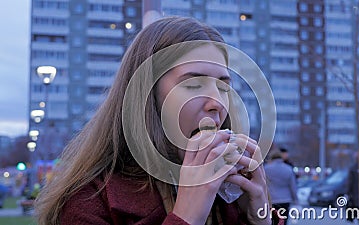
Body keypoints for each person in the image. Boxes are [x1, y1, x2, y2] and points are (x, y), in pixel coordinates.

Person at [35, 16, 281, 225]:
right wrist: (186, 215)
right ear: (146, 96)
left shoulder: (232, 194)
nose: (216, 103)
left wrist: (259, 217)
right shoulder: (89, 200)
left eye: (224, 87)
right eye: (193, 84)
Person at [264, 151, 297, 225]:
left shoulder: (266, 169)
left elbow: (263, 185)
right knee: (283, 221)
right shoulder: (288, 169)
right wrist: (295, 199)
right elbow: (293, 186)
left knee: (272, 221)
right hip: (285, 200)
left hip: (271, 200)